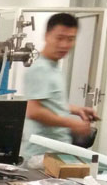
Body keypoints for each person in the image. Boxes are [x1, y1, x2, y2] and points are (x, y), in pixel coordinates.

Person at [19, 12, 98, 162]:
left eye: (70, 39)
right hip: (41, 155)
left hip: (55, 151)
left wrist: (76, 109)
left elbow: (49, 103)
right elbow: (34, 111)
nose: (64, 45)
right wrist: (71, 123)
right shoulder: (40, 69)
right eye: (59, 38)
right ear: (47, 36)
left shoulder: (54, 67)